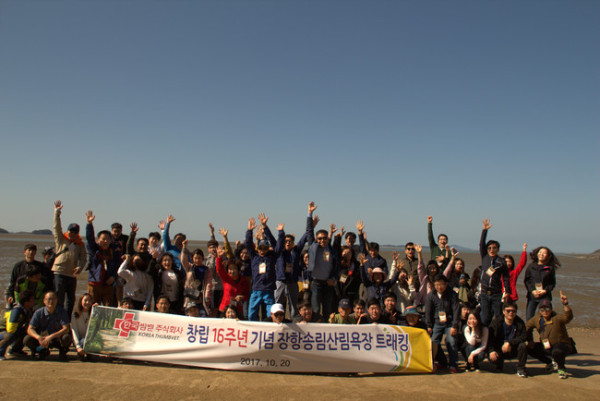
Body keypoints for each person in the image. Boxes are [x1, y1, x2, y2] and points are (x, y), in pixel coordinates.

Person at [526, 292, 573, 379]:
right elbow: (527, 327)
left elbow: (567, 317)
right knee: (528, 348)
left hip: (561, 345)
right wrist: (530, 340)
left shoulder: (557, 318)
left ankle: (561, 368)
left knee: (557, 352)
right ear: (539, 310)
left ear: (551, 309)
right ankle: (550, 363)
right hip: (546, 345)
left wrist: (565, 304)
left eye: (547, 308)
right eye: (542, 309)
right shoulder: (537, 318)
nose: (545, 311)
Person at [51, 201, 87, 316]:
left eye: (76, 232)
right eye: (71, 231)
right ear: (68, 231)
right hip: (59, 272)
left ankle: (67, 319)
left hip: (71, 275)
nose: (73, 234)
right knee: (59, 297)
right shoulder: (61, 239)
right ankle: (57, 319)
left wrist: (80, 268)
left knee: (71, 300)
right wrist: (57, 212)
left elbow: (84, 258)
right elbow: (56, 227)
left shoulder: (80, 244)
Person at [246, 214, 282, 321]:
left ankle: (269, 329)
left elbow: (279, 246)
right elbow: (248, 244)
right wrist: (249, 231)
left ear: (267, 248)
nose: (262, 250)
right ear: (257, 249)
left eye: (264, 248)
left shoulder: (271, 257)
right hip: (256, 289)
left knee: (270, 314)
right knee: (251, 314)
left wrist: (266, 227)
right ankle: (254, 328)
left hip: (269, 290)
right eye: (260, 248)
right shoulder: (254, 257)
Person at [306, 202, 339, 318]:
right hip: (316, 283)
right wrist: (309, 213)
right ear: (316, 239)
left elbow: (337, 267)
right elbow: (309, 231)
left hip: (328, 284)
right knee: (315, 310)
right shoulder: (313, 247)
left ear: (328, 239)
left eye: (324, 238)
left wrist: (334, 279)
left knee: (328, 310)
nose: (322, 240)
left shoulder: (332, 251)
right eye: (319, 238)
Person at [84, 210, 121, 306]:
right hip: (94, 284)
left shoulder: (114, 251)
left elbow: (118, 265)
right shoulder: (94, 249)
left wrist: (114, 277)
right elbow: (89, 238)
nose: (105, 241)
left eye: (108, 239)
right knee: (93, 307)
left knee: (108, 308)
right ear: (98, 240)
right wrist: (89, 224)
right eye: (103, 239)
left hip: (107, 284)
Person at [425, 274, 460, 373]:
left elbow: (456, 311)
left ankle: (453, 364)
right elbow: (428, 312)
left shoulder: (452, 294)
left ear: (446, 284)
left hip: (449, 323)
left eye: (441, 284)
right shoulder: (431, 295)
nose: (439, 287)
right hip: (437, 322)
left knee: (451, 341)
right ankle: (437, 362)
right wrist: (429, 326)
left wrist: (454, 326)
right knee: (433, 342)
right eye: (436, 285)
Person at [478, 218, 510, 326]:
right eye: (490, 248)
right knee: (484, 317)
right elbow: (481, 244)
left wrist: (507, 291)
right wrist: (484, 230)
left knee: (498, 317)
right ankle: (484, 335)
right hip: (484, 293)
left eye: (494, 248)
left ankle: (497, 335)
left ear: (498, 249)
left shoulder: (501, 262)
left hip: (496, 293)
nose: (492, 250)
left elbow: (506, 277)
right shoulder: (484, 257)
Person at [25, 291, 71, 361]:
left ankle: (63, 351)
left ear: (57, 300)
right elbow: (30, 329)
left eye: (53, 299)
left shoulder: (62, 312)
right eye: (49, 299)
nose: (51, 301)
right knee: (27, 339)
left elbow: (66, 328)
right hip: (42, 338)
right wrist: (38, 337)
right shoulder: (38, 312)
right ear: (44, 301)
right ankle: (39, 350)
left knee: (67, 337)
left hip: (57, 338)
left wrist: (51, 337)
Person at [275, 225, 309, 319]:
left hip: (292, 282)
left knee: (293, 305)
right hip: (281, 282)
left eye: (290, 241)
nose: (288, 243)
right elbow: (273, 240)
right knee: (278, 304)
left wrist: (311, 226)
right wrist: (280, 232)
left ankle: (294, 321)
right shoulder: (279, 252)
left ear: (293, 243)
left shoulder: (296, 251)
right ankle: (278, 320)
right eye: (286, 241)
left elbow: (303, 239)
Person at [5, 244, 54, 309]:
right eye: (29, 250)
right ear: (25, 252)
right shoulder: (18, 266)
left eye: (33, 250)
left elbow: (48, 282)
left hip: (36, 296)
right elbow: (13, 282)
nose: (31, 252)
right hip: (21, 295)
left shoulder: (41, 266)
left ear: (35, 252)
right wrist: (10, 295)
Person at [488, 302, 529, 377]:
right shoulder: (496, 322)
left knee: (523, 346)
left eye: (513, 311)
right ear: (503, 312)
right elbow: (490, 338)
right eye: (508, 311)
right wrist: (491, 351)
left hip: (513, 348)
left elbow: (524, 336)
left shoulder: (520, 323)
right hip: (499, 348)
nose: (511, 313)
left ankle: (521, 368)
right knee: (492, 357)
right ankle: (499, 365)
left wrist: (510, 343)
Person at [524, 246, 560, 320]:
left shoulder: (550, 268)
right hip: (532, 296)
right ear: (537, 254)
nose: (541, 254)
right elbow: (527, 281)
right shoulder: (531, 267)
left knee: (545, 318)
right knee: (529, 318)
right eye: (540, 252)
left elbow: (552, 283)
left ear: (548, 256)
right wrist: (532, 291)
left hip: (545, 296)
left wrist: (545, 290)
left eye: (544, 253)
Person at [216, 245, 249, 318]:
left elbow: (247, 294)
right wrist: (219, 257)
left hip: (237, 311)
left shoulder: (243, 280)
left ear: (238, 270)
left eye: (234, 269)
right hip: (224, 310)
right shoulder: (226, 278)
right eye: (230, 269)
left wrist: (242, 297)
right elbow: (219, 269)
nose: (232, 271)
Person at [0, 290, 35, 360]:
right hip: (2, 330)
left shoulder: (27, 310)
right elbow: (11, 329)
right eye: (32, 300)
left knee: (26, 331)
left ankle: (15, 350)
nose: (34, 302)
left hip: (9, 330)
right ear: (26, 302)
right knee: (10, 335)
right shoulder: (17, 310)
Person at [181, 240, 213, 316]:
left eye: (199, 258)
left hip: (201, 297)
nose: (197, 260)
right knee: (189, 315)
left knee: (202, 314)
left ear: (202, 258)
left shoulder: (206, 270)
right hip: (191, 295)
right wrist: (184, 247)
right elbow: (183, 261)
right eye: (195, 258)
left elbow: (208, 283)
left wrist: (207, 296)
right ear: (192, 258)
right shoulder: (189, 267)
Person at [71, 293, 92, 361]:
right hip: (80, 340)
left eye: (89, 300)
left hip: (90, 340)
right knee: (83, 341)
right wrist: (77, 346)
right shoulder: (75, 315)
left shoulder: (94, 314)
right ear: (81, 301)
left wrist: (97, 308)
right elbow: (74, 331)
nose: (87, 302)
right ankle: (81, 352)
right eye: (85, 300)